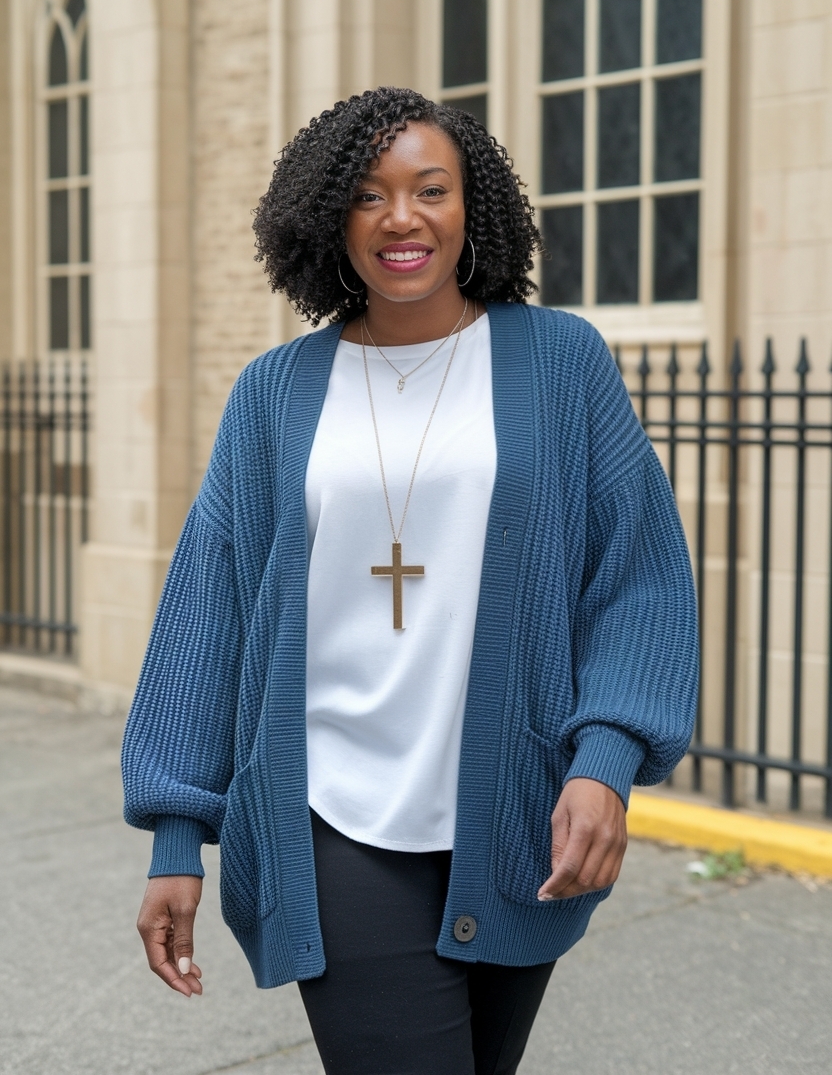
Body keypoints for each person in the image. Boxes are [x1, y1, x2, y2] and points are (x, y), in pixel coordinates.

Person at [122, 86, 698, 1075]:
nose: (402, 219)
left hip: (514, 817)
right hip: (332, 811)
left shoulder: (559, 362)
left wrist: (604, 758)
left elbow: (636, 570)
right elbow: (208, 607)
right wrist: (179, 827)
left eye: (431, 190)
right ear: (326, 219)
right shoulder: (274, 394)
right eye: (369, 195)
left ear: (471, 209)